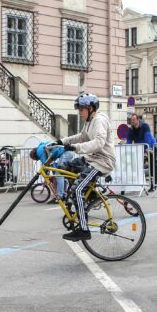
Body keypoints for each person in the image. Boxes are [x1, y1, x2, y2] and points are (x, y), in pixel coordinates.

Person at [56, 93, 116, 241]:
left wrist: (74, 148)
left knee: (77, 189)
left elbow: (98, 143)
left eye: (81, 110)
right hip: (92, 159)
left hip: (102, 162)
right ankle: (89, 195)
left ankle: (84, 229)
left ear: (90, 108)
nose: (79, 113)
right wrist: (61, 142)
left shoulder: (99, 120)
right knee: (64, 168)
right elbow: (81, 136)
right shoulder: (90, 121)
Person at [127, 113, 157, 191]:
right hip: (141, 148)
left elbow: (147, 137)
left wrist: (148, 148)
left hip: (151, 146)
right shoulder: (131, 129)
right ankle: (140, 184)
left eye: (134, 119)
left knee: (152, 166)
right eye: (131, 120)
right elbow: (129, 141)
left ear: (138, 120)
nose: (132, 121)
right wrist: (126, 148)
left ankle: (153, 185)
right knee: (137, 165)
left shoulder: (144, 126)